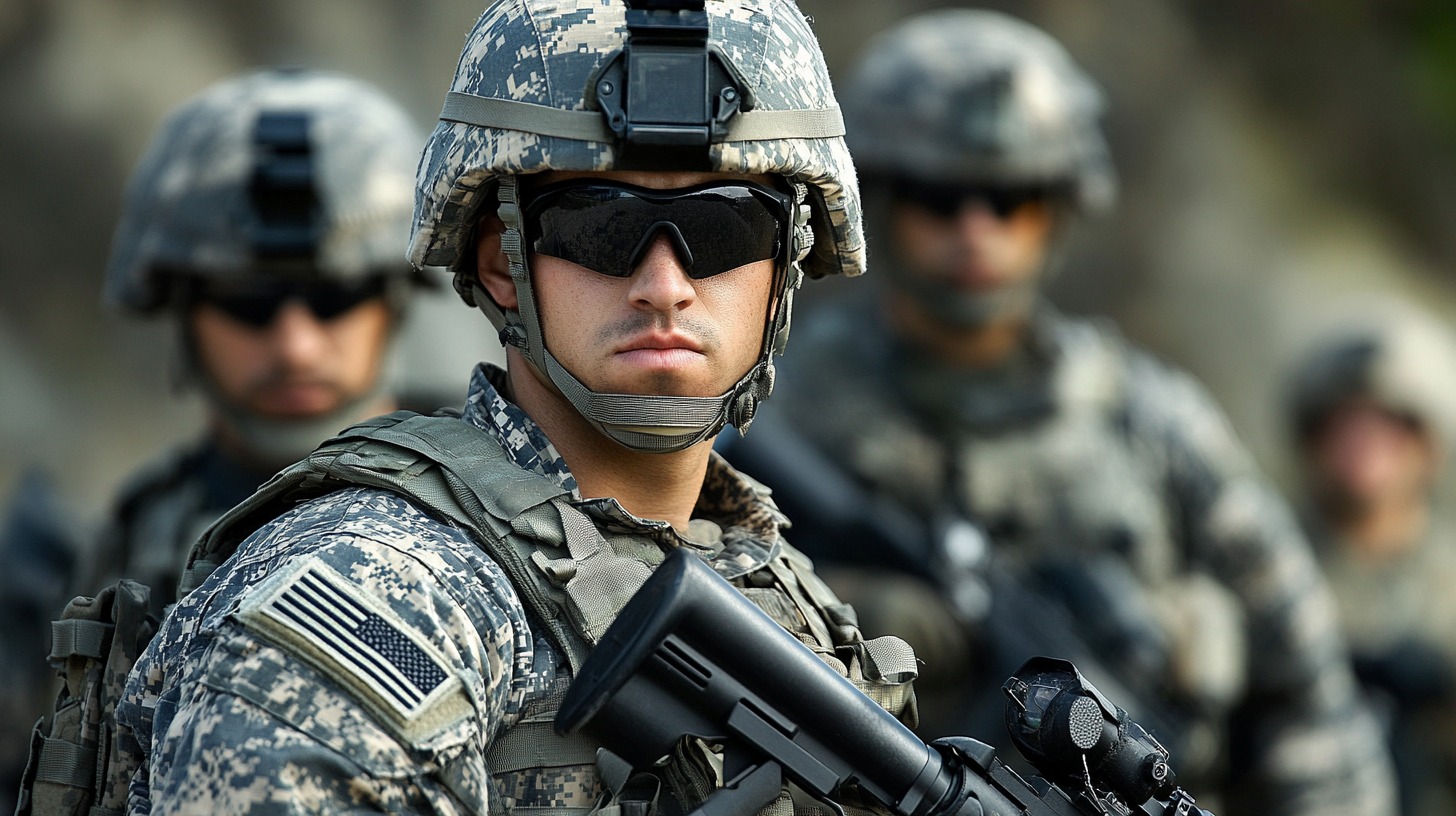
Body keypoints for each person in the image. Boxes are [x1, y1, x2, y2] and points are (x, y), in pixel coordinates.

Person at [111, 2, 921, 814]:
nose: (665, 286)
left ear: (785, 261)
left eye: (726, 228)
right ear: (503, 266)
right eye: (601, 226)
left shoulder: (777, 578)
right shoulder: (382, 592)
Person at [726, 10, 1396, 816]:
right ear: (880, 197)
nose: (975, 231)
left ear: (1060, 206)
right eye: (940, 198)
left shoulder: (1151, 422)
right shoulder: (772, 406)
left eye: (1009, 201)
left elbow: (1310, 707)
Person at [88, 68, 429, 612]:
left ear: (393, 299)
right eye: (248, 299)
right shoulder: (122, 547)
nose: (297, 347)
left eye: (335, 296)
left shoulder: (511, 492)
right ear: (183, 306)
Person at [1287, 303, 1456, 816]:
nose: (1364, 444)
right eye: (1347, 421)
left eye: (1392, 425)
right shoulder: (1259, 554)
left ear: (1427, 447)